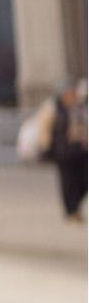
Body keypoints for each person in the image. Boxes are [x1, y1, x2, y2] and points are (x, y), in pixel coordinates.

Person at [50, 78, 88, 222]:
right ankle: (71, 212)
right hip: (63, 152)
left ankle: (75, 208)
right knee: (68, 184)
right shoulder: (55, 109)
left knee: (83, 181)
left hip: (80, 151)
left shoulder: (79, 107)